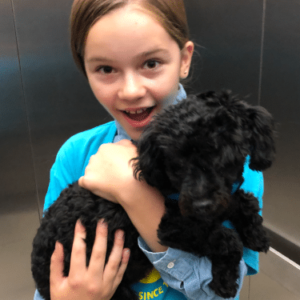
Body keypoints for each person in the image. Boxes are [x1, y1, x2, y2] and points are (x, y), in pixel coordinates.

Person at [33, 0, 264, 299]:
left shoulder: (234, 163)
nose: (131, 91)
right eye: (105, 68)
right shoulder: (75, 156)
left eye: (151, 63)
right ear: (85, 71)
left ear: (184, 59)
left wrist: (135, 195)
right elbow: (50, 276)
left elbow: (221, 292)